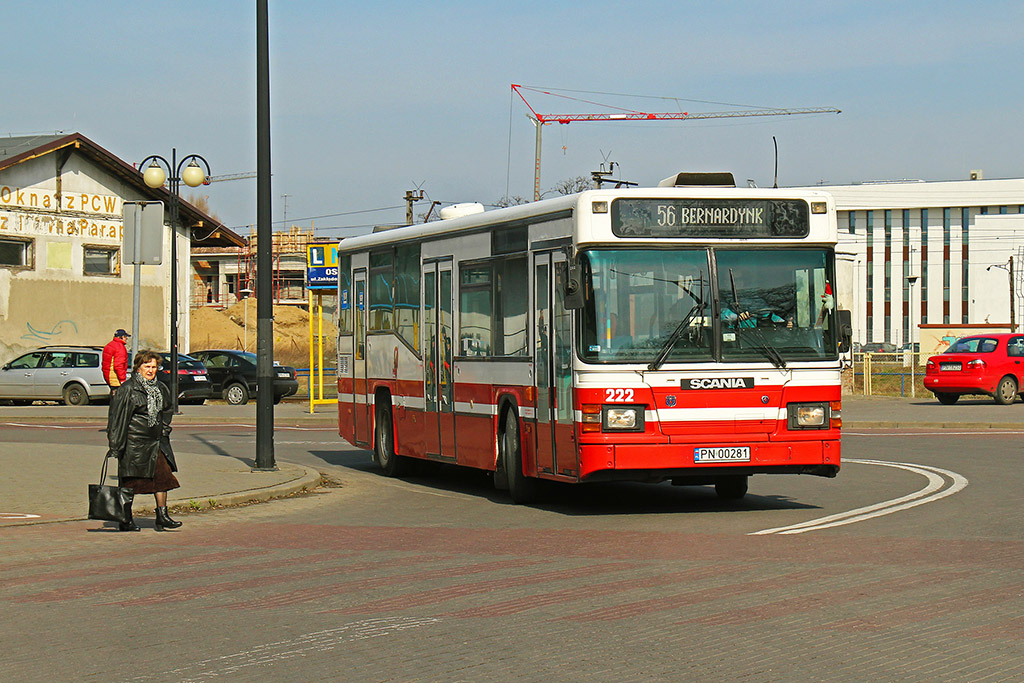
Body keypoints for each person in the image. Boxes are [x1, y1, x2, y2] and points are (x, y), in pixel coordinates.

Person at [105, 350, 182, 532]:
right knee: (130, 483)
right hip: (134, 445)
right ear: (138, 367)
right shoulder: (128, 389)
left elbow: (167, 411)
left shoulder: (160, 388)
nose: (150, 370)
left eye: (154, 367)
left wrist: (164, 428)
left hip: (156, 443)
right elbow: (116, 419)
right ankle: (125, 519)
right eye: (147, 366)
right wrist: (115, 446)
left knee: (163, 478)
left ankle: (162, 516)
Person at [102, 329, 131, 394]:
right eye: (125, 337)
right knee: (118, 400)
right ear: (121, 337)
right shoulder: (120, 347)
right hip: (116, 379)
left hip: (109, 377)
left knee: (113, 398)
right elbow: (119, 365)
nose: (126, 339)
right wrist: (122, 380)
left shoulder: (109, 345)